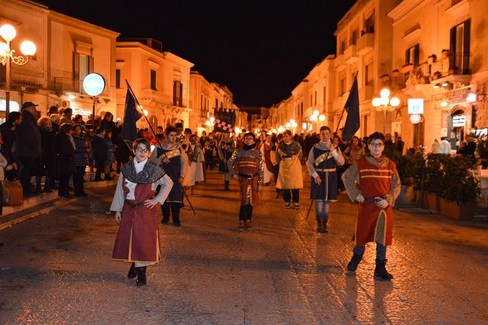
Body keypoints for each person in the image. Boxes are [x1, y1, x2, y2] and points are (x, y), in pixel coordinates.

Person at [111, 138, 173, 286]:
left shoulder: (153, 169)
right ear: (134, 151)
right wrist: (118, 209)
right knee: (130, 239)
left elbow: (168, 183)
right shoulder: (126, 169)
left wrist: (157, 200)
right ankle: (134, 264)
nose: (142, 153)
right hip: (129, 209)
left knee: (143, 241)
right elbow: (120, 189)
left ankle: (141, 274)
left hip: (145, 210)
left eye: (145, 150)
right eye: (139, 149)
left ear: (149, 153)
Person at [342, 132, 401, 281]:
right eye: (373, 144)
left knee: (382, 237)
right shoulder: (361, 164)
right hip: (367, 206)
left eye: (379, 144)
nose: (376, 147)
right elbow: (346, 177)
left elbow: (396, 184)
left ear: (383, 147)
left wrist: (389, 199)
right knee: (362, 235)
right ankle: (356, 258)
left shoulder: (390, 165)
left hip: (383, 207)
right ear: (368, 146)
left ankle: (380, 268)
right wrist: (356, 194)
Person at [307, 126, 345, 233]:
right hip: (319, 176)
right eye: (322, 133)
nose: (325, 135)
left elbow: (341, 162)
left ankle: (325, 223)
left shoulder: (336, 148)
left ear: (331, 135)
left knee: (327, 201)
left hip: (331, 177)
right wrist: (315, 175)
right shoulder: (315, 148)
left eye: (327, 133)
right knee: (319, 201)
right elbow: (310, 163)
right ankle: (319, 223)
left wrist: (333, 152)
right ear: (320, 135)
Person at [151, 126, 188, 226]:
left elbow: (184, 162)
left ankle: (176, 219)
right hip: (162, 177)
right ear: (166, 136)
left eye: (175, 135)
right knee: (164, 198)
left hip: (175, 177)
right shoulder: (159, 147)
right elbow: (152, 160)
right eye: (171, 135)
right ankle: (165, 217)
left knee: (176, 199)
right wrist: (161, 159)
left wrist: (182, 176)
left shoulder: (179, 148)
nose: (173, 137)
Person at [228, 132, 263, 231]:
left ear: (254, 140)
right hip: (243, 179)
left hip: (254, 179)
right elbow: (230, 162)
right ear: (244, 140)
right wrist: (233, 174)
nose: (248, 140)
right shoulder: (238, 152)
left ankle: (248, 220)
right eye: (246, 138)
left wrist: (260, 182)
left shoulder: (257, 153)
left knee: (251, 201)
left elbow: (261, 168)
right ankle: (241, 220)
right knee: (244, 199)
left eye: (250, 138)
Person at [14, 102, 42, 197]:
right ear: (28, 108)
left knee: (28, 170)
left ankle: (26, 188)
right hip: (26, 151)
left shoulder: (29, 119)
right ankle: (25, 189)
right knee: (26, 170)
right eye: (33, 107)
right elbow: (28, 136)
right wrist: (34, 146)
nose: (35, 110)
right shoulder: (26, 120)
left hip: (28, 150)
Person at [276, 129, 303, 209]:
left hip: (294, 165)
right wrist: (281, 163)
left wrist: (296, 162)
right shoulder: (281, 146)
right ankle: (287, 201)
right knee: (286, 184)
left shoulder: (297, 145)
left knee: (295, 184)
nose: (285, 138)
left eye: (286, 136)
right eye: (284, 136)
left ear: (291, 136)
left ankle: (296, 202)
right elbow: (277, 156)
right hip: (284, 165)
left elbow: (300, 154)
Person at [54, 123, 76, 198]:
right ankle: (64, 192)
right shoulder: (62, 136)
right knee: (64, 177)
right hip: (64, 158)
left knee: (66, 176)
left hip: (67, 158)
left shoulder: (66, 136)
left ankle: (65, 191)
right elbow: (63, 147)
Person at [72, 124, 89, 196]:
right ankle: (77, 191)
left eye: (79, 129)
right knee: (77, 176)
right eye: (76, 129)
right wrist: (84, 149)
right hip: (77, 159)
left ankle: (80, 190)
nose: (78, 131)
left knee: (81, 176)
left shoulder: (82, 138)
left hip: (83, 160)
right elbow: (75, 148)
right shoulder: (73, 138)